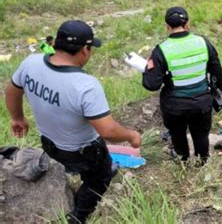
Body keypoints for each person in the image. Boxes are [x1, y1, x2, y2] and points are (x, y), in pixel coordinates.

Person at [5, 20, 141, 224]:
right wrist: (132, 135)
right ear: (85, 50)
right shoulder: (85, 85)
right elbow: (108, 131)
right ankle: (79, 216)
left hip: (49, 143)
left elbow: (12, 90)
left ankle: (70, 173)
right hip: (83, 151)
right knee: (99, 177)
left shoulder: (31, 63)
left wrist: (17, 118)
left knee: (67, 163)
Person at [142, 6, 222, 165]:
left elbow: (152, 84)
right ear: (187, 23)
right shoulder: (203, 42)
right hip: (202, 103)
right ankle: (202, 161)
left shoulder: (160, 50)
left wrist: (148, 68)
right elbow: (218, 75)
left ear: (166, 26)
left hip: (174, 106)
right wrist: (214, 93)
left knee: (177, 134)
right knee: (201, 134)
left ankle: (183, 160)